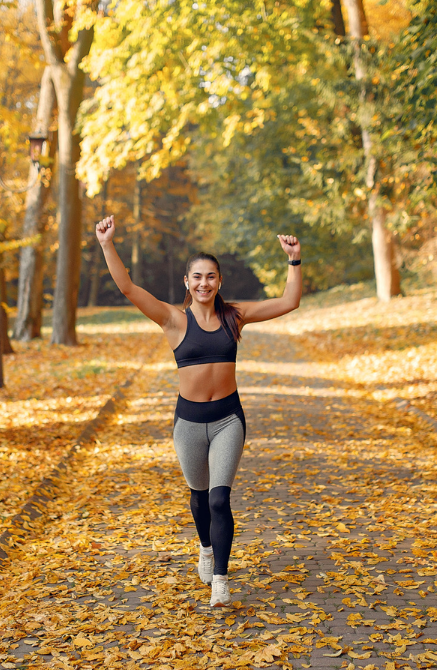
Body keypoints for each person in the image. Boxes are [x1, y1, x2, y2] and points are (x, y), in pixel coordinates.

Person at [94, 215, 302, 607]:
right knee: (199, 496)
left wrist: (294, 260)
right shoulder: (173, 320)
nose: (204, 283)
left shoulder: (234, 316)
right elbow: (127, 288)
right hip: (189, 423)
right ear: (187, 283)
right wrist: (107, 244)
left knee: (219, 500)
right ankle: (205, 547)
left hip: (228, 421)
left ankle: (220, 580)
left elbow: (289, 302)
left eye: (210, 277)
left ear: (219, 282)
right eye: (197, 277)